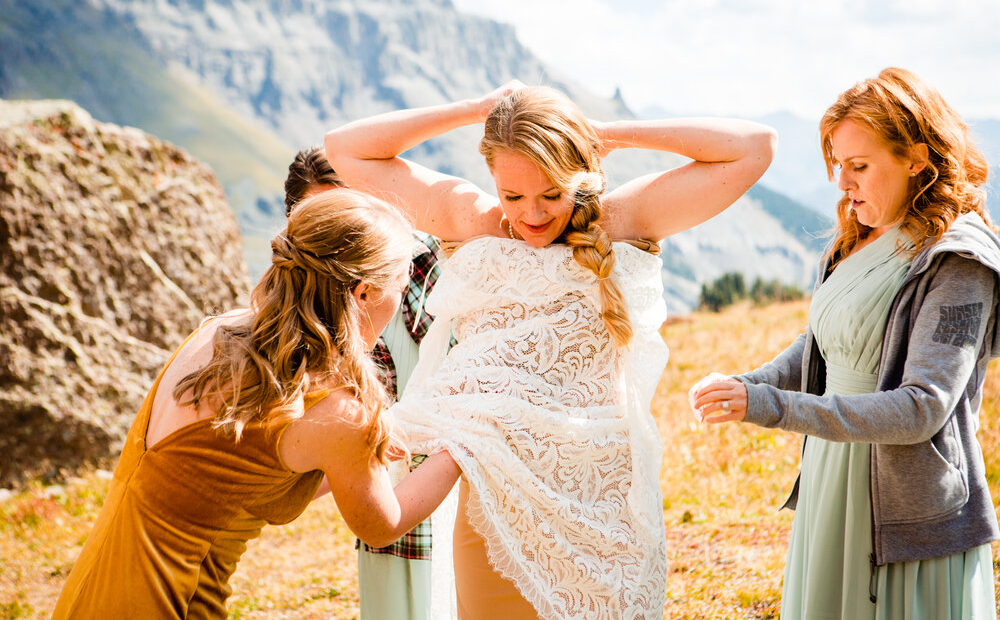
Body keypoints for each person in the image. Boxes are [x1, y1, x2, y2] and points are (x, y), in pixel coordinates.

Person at [324, 82, 777, 619]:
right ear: (493, 178)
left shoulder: (622, 220)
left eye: (551, 194)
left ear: (579, 177)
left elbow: (755, 147)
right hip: (497, 503)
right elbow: (345, 148)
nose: (532, 216)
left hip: (604, 505)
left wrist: (606, 134)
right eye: (512, 196)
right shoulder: (469, 221)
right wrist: (475, 107)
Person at [52, 188, 461, 619]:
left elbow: (251, 476)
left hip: (91, 593)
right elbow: (383, 524)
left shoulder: (224, 334)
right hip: (170, 604)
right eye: (399, 286)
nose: (400, 301)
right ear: (363, 293)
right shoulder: (335, 415)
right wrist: (463, 442)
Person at [689, 67, 999, 619]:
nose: (842, 183)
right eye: (837, 164)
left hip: (904, 507)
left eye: (859, 166)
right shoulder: (863, 236)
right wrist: (748, 384)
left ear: (917, 158)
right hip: (834, 474)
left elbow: (923, 408)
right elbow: (826, 343)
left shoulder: (958, 263)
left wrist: (772, 406)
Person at [285, 146, 443, 620]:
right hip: (380, 491)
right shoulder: (300, 309)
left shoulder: (423, 267)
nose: (342, 248)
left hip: (451, 475)